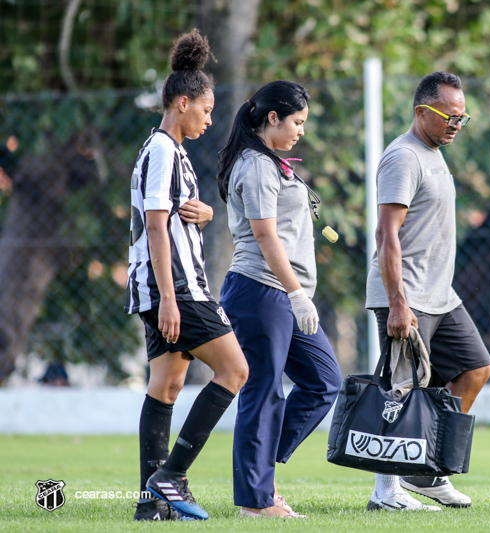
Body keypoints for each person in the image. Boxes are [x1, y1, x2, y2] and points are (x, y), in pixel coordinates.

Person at [124, 29, 248, 521]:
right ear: (181, 103)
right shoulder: (160, 151)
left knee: (167, 386)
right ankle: (171, 476)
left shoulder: (170, 153)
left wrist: (205, 215)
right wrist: (170, 300)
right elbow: (155, 226)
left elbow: (170, 216)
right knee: (234, 370)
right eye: (206, 109)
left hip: (162, 287)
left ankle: (150, 503)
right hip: (174, 288)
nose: (209, 118)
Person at [365, 71, 490, 511]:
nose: (456, 124)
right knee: (399, 391)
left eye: (462, 117)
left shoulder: (434, 151)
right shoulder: (403, 157)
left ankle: (427, 470)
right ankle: (386, 493)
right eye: (448, 116)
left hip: (441, 295)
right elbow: (387, 235)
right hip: (407, 296)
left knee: (475, 368)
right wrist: (398, 303)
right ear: (421, 112)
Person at [217, 81, 342, 518]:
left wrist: (299, 295)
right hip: (261, 291)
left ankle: (260, 473)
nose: (301, 131)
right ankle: (256, 500)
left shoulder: (273, 163)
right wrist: (295, 293)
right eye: (297, 122)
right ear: (273, 118)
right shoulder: (254, 165)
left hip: (286, 295)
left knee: (324, 381)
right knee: (264, 390)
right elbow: (265, 235)